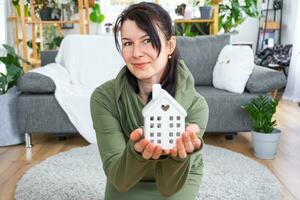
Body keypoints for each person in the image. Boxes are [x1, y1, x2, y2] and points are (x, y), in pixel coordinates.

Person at [90, 2, 209, 200]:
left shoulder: (197, 107)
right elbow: (120, 179)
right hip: (126, 177)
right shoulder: (104, 98)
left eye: (146, 40)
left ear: (170, 45)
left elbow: (169, 188)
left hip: (179, 178)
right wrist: (136, 153)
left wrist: (179, 157)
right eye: (128, 43)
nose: (136, 53)